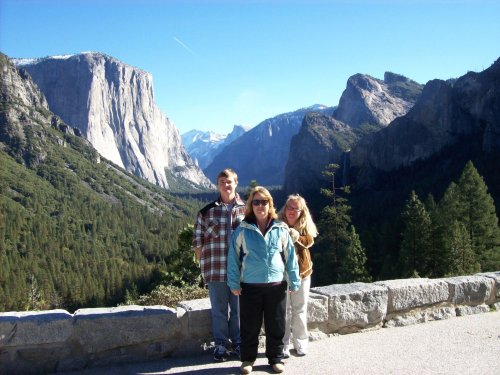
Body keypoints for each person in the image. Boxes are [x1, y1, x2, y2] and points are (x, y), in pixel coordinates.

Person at [227, 186, 300, 374]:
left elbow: (289, 255)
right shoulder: (243, 229)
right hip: (250, 285)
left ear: (270, 204)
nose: (260, 205)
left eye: (264, 201)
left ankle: (275, 359)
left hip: (276, 285)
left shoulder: (280, 228)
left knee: (276, 324)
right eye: (256, 202)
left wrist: (294, 279)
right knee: (250, 325)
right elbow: (233, 257)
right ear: (251, 205)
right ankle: (248, 360)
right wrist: (234, 282)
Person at [192, 169, 246, 362]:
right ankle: (221, 344)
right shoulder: (206, 212)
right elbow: (197, 242)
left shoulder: (247, 210)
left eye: (229, 181)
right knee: (219, 310)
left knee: (239, 309)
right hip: (215, 270)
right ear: (218, 185)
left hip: (241, 271)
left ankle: (239, 343)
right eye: (222, 181)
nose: (226, 185)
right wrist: (205, 264)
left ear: (236, 183)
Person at [278, 194, 318, 358]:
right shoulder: (277, 224)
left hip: (302, 273)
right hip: (281, 275)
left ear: (302, 211)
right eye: (290, 207)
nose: (292, 211)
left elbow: (309, 241)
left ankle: (301, 342)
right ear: (285, 208)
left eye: (296, 208)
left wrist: (295, 236)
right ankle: (284, 344)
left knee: (299, 309)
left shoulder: (305, 226)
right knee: (284, 310)